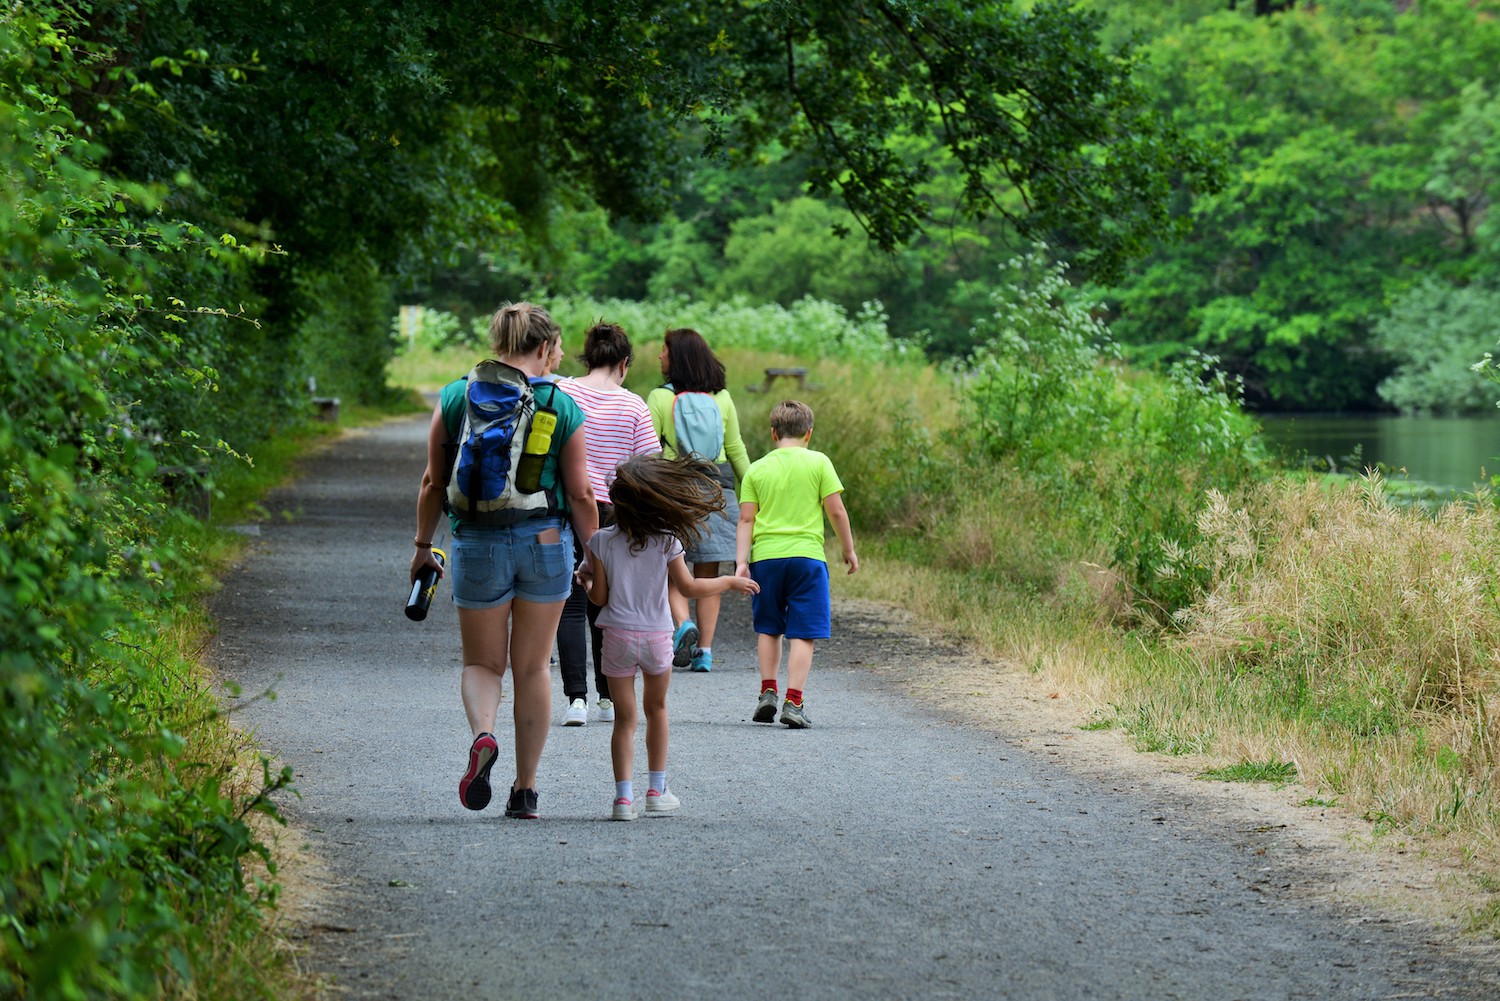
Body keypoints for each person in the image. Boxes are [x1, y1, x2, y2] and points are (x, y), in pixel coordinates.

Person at [410, 301, 597, 819]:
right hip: (543, 543)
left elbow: (432, 483)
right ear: (542, 348)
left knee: (481, 663)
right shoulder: (561, 405)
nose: (559, 359)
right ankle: (525, 790)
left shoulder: (454, 396)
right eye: (558, 350)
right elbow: (580, 494)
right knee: (533, 666)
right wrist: (595, 558)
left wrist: (424, 547)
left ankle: (484, 734)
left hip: (475, 544)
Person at [581, 454, 759, 820]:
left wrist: (586, 583)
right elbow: (689, 587)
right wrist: (728, 580)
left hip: (616, 637)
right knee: (657, 710)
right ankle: (656, 790)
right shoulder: (667, 542)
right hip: (657, 638)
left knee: (624, 720)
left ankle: (623, 800)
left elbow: (599, 599)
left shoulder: (600, 541)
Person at [553, 321, 660, 726]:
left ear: (589, 357)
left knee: (569, 603)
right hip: (614, 513)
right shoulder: (634, 405)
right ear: (624, 363)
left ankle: (575, 700)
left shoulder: (564, 391)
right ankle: (608, 695)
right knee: (606, 602)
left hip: (566, 506)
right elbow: (647, 469)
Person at [734, 400, 857, 729]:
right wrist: (849, 549)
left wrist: (741, 563)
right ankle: (794, 700)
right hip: (807, 559)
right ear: (809, 433)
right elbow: (837, 511)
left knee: (769, 627)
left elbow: (746, 519)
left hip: (767, 559)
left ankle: (767, 693)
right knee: (803, 633)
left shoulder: (757, 469)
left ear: (773, 433)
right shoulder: (819, 463)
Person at [646, 328, 751, 673]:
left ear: (676, 358)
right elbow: (735, 449)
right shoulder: (721, 397)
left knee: (671, 569)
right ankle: (705, 650)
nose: (660, 356)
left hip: (674, 488)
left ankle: (683, 624)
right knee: (710, 573)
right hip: (718, 489)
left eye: (664, 351)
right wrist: (754, 491)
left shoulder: (660, 398)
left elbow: (648, 451)